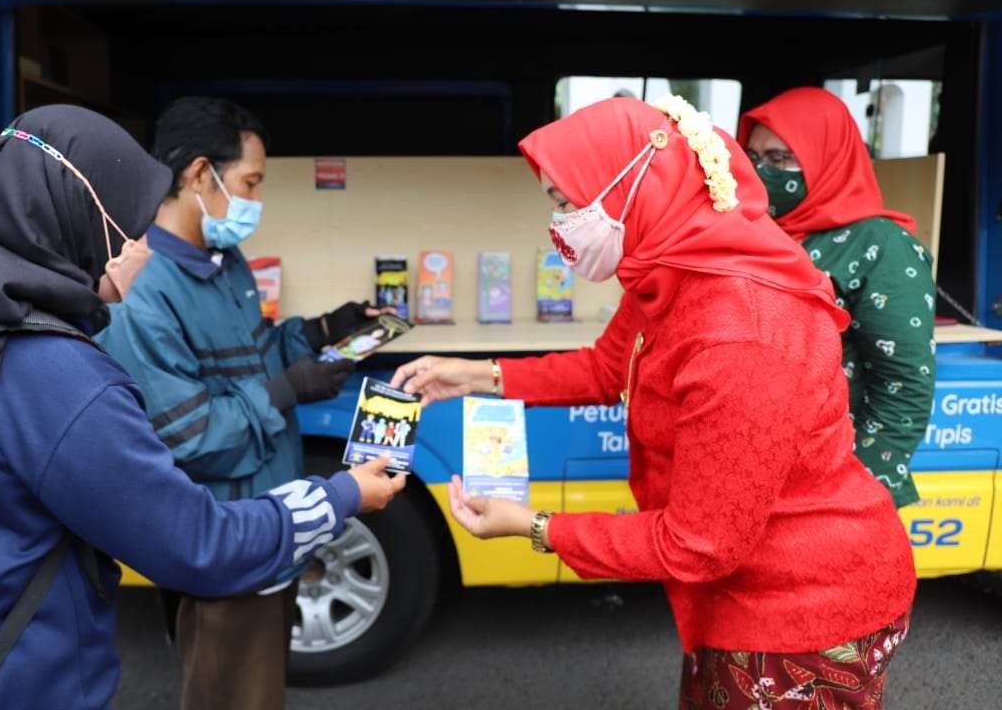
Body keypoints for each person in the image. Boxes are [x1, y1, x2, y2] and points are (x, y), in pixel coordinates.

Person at [392, 96, 916, 709]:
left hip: (803, 610)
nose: (559, 224)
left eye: (567, 203)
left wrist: (535, 528)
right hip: (739, 597)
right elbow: (606, 366)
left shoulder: (738, 333)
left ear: (640, 184)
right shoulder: (668, 268)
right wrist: (475, 376)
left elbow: (699, 544)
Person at [0, 105, 405, 710]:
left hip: (42, 642)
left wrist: (324, 332)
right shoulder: (63, 363)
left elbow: (249, 356)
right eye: (126, 223)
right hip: (28, 666)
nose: (139, 244)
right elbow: (192, 496)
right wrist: (339, 488)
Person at [95, 97, 392, 710]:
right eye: (250, 182)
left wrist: (317, 334)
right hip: (226, 543)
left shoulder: (222, 259)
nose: (256, 200)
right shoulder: (142, 290)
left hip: (271, 526)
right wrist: (289, 389)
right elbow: (187, 437)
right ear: (201, 174)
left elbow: (252, 355)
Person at [738, 86, 934, 507]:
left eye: (779, 159)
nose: (759, 171)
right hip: (750, 476)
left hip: (831, 490)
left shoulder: (881, 247)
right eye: (752, 157)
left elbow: (902, 387)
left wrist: (854, 493)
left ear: (826, 160)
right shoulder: (752, 234)